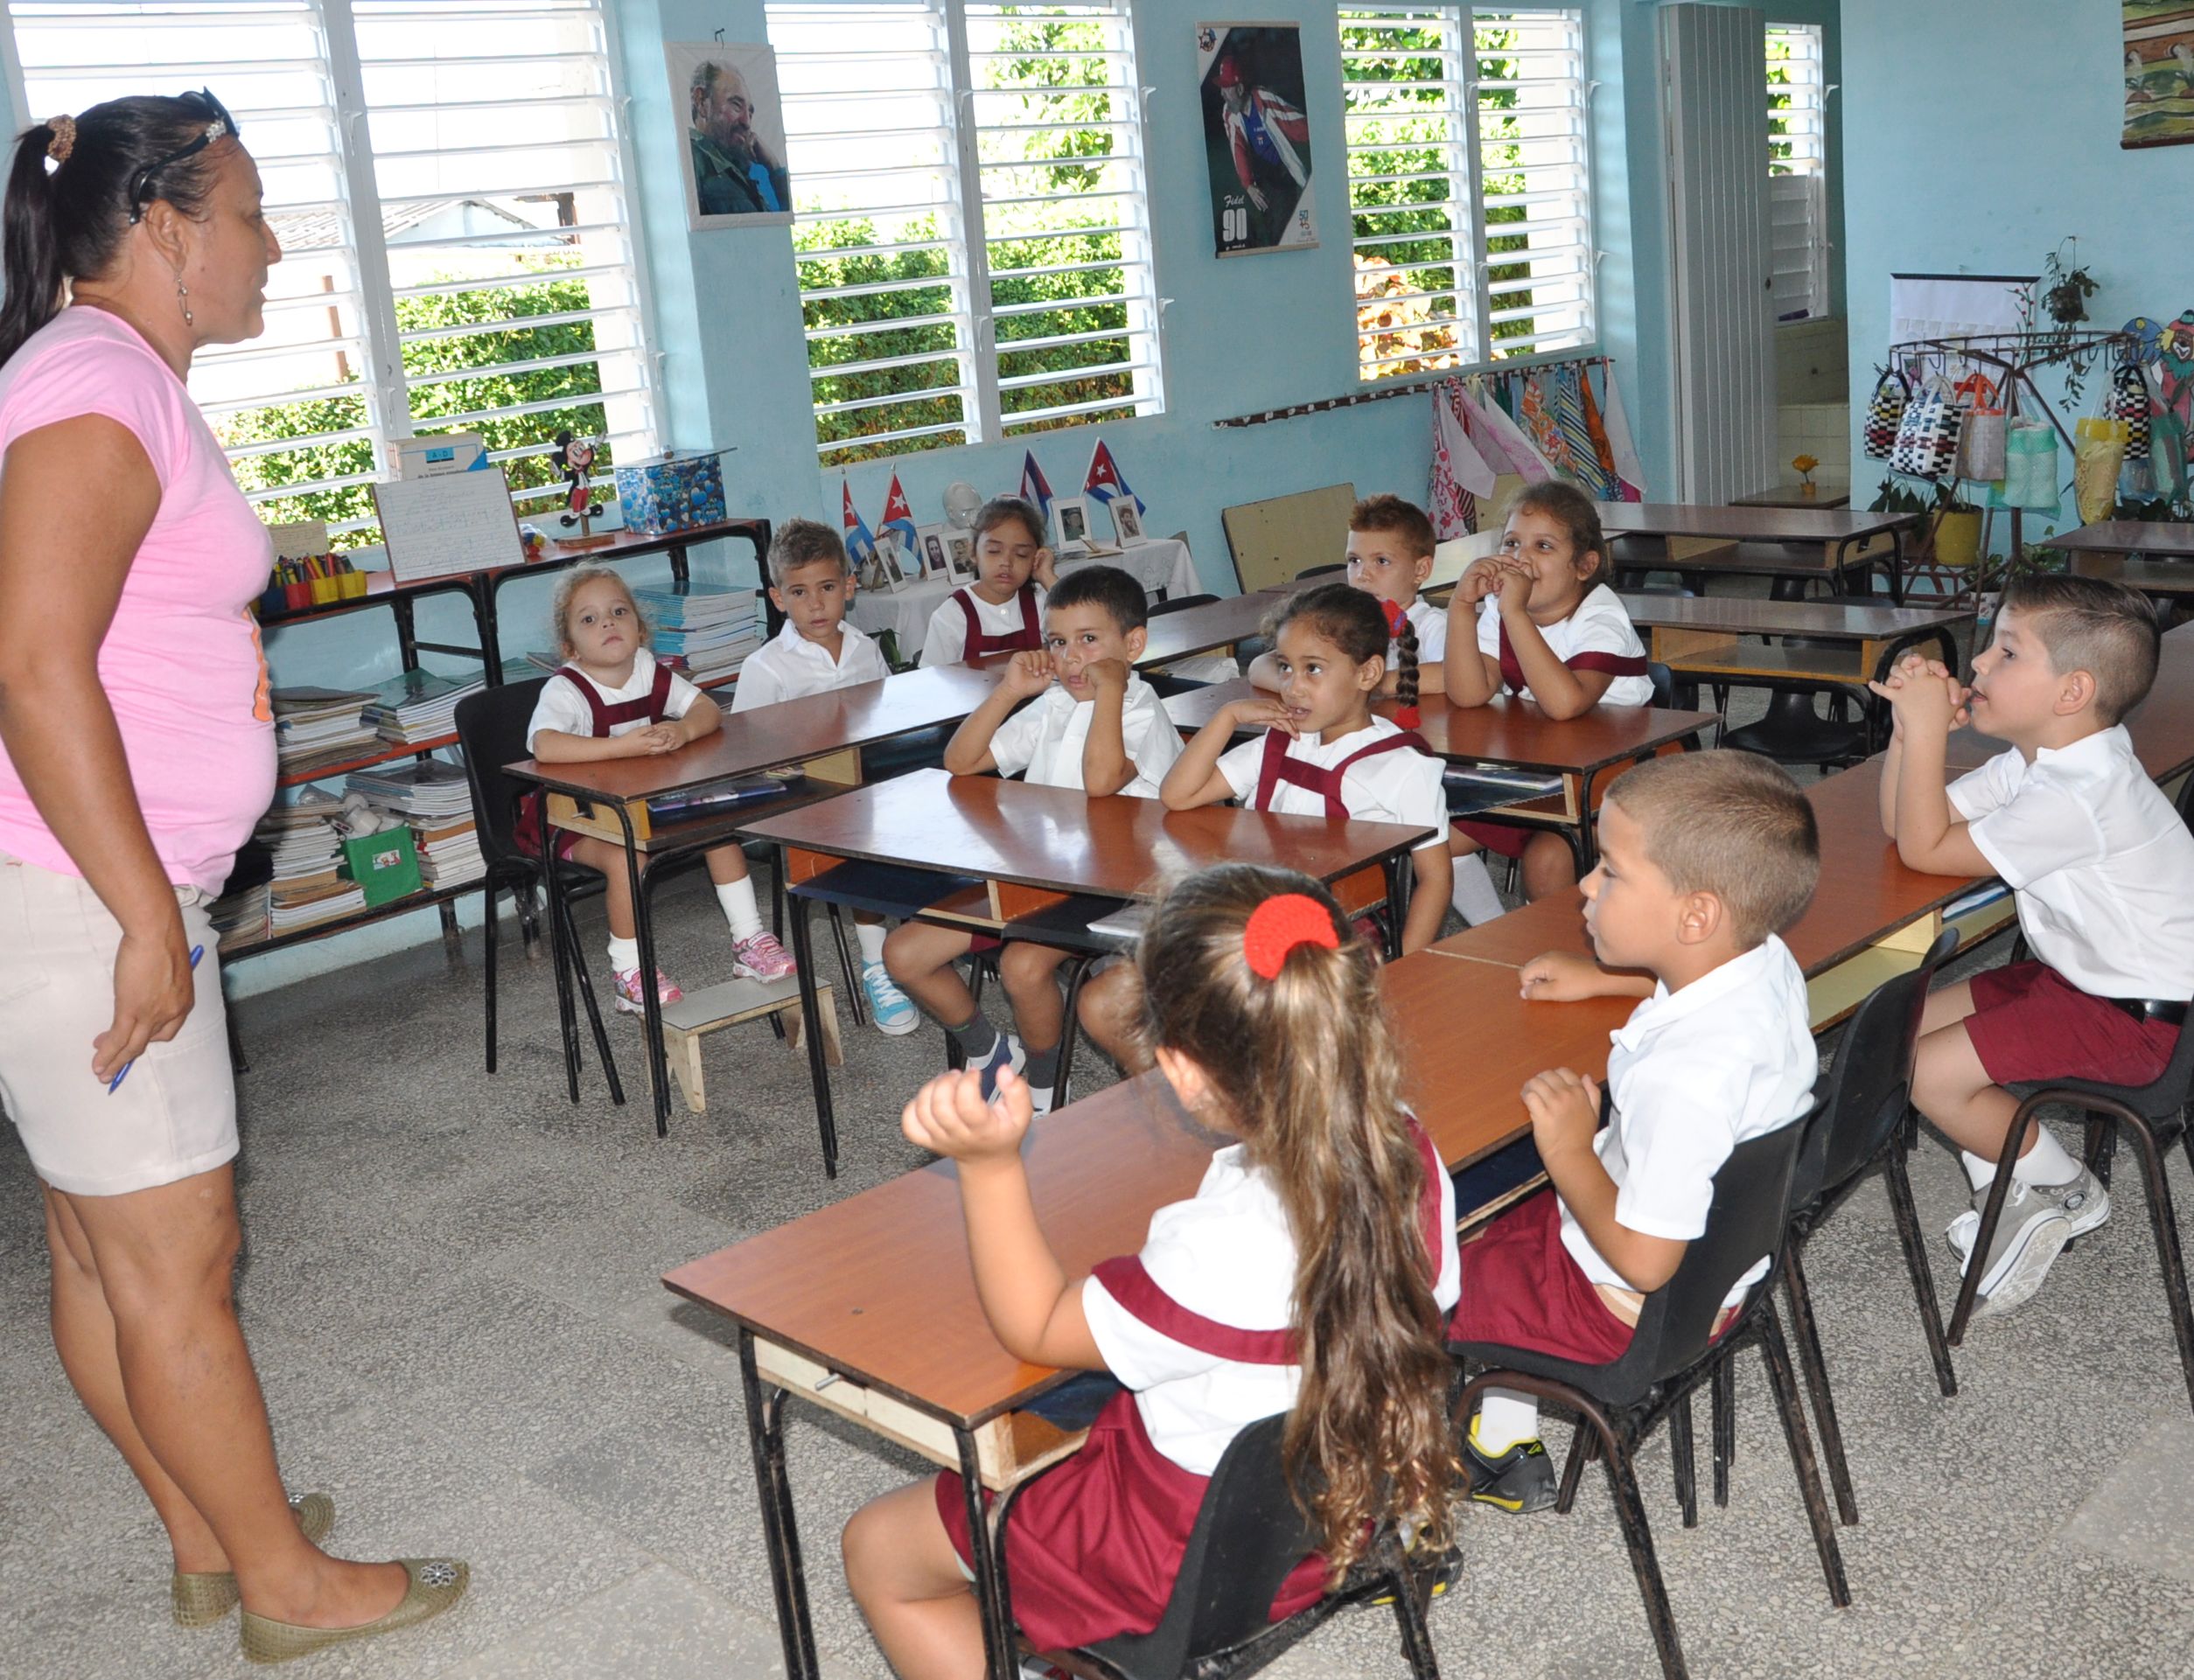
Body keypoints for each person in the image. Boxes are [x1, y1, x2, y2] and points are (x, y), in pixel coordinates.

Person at [0, 93, 465, 1663]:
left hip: (74, 884)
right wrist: (146, 918)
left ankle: (208, 1537)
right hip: (79, 895)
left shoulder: (110, 378)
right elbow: (31, 663)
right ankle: (287, 1585)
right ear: (165, 229)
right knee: (177, 1258)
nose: (274, 246)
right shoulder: (88, 384)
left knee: (104, 1242)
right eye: (254, 213)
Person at [842, 864, 1460, 1670]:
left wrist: (990, 1167)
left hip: (1173, 1559)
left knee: (880, 1550)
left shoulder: (1215, 1250)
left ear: (1182, 1072)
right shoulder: (1410, 1148)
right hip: (1327, 1521)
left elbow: (1031, 1323)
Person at [1459, 750, 1820, 1513]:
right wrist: (1613, 979)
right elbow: (1703, 980)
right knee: (1502, 1202)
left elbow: (1644, 1260)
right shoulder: (1769, 960)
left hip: (1622, 1309)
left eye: (1611, 872)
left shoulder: (1683, 1078)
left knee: (1425, 1258)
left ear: (1694, 915)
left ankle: (1438, 1473)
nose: (1586, 885)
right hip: (1722, 1273)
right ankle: (1501, 1432)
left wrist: (1566, 1150)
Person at [1871, 575, 2194, 1317]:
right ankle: (2017, 1192)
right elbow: (1905, 823)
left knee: (1924, 1072)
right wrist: (1908, 734)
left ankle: (2060, 1187)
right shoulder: (2045, 760)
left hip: (2138, 1021)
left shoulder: (2076, 795)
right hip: (2081, 981)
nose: (1979, 664)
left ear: (2072, 691)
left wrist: (1928, 734)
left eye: (2007, 652)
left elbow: (1924, 847)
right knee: (1900, 1029)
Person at [884, 565, 1181, 1112]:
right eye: (1058, 642)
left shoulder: (1142, 712)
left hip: (1115, 885)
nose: (1070, 657)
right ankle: (994, 1054)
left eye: (1090, 641)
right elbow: (962, 761)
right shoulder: (1055, 705)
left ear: (1133, 644)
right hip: (1042, 876)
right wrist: (1010, 691)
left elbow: (1100, 780)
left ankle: (1047, 1087)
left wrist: (1110, 688)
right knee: (903, 953)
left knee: (1023, 965)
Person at [523, 567, 796, 1007]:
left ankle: (750, 942)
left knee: (719, 829)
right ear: (569, 647)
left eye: (618, 612)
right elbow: (545, 744)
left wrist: (685, 731)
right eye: (589, 620)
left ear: (640, 628)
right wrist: (621, 747)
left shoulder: (648, 670)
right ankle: (628, 971)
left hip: (643, 807)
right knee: (627, 857)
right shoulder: (566, 689)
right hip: (576, 820)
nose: (608, 623)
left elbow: (706, 709)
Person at [1162, 583, 1452, 955]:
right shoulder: (1281, 741)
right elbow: (1178, 796)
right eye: (1285, 667)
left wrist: (1405, 969)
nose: (1293, 688)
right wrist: (1226, 717)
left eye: (1313, 669)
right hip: (1254, 913)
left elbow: (1436, 878)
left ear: (1367, 674)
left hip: (1336, 940)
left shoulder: (1404, 768)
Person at [1443, 482, 1653, 924]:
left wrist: (1515, 614)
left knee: (1546, 862)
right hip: (1537, 769)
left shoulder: (1599, 616)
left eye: (1543, 546)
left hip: (1615, 781)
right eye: (1512, 543)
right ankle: (1499, 932)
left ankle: (1570, 955)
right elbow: (1468, 692)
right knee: (1435, 843)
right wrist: (1463, 607)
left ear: (1584, 565)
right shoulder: (1503, 611)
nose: (1522, 559)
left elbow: (1565, 703)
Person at [731, 519, 913, 1033]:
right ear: (777, 598)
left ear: (849, 588)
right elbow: (744, 754)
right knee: (860, 835)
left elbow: (891, 719)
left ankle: (931, 939)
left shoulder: (865, 649)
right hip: (803, 803)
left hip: (872, 783)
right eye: (799, 592)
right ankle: (879, 964)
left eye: (828, 588)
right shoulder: (766, 668)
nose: (816, 605)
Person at [1247, 493, 1450, 697]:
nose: (1363, 575)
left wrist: (1364, 684)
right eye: (1354, 561)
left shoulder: (1431, 624)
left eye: (1381, 561)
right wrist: (1301, 686)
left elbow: (1449, 675)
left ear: (1421, 570)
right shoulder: (1342, 623)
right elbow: (1259, 666)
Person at [919, 496, 1059, 666]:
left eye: (1021, 554)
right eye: (994, 551)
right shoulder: (952, 615)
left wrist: (1047, 576)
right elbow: (932, 681)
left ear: (1035, 558)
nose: (1006, 562)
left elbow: (1082, 629)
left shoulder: (1041, 601)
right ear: (973, 552)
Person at [1213, 52, 1309, 247]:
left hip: (1283, 173)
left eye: (1226, 88)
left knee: (1283, 228)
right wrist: (1248, 184)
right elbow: (1237, 147)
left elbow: (1297, 123)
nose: (1222, 93)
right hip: (1262, 176)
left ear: (1240, 88)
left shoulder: (1264, 99)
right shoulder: (1229, 112)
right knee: (1266, 227)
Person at [688, 59, 789, 217]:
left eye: (750, 112)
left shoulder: (736, 169)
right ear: (701, 102)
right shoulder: (691, 159)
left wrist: (773, 167)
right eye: (736, 105)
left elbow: (779, 224)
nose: (746, 122)